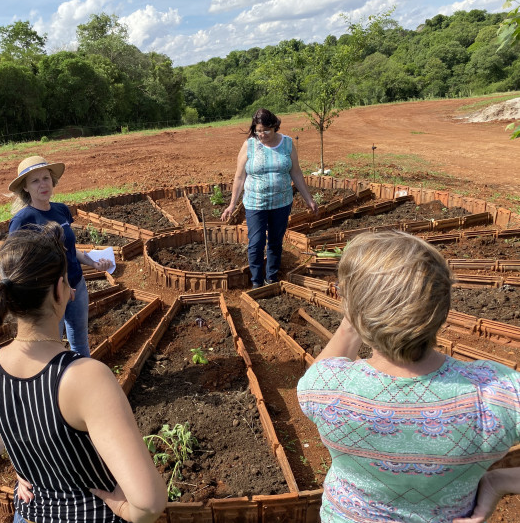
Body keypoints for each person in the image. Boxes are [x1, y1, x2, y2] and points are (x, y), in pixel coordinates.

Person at [0, 224, 167, 523]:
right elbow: (148, 503)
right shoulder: (86, 377)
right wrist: (126, 510)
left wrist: (11, 445)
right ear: (60, 290)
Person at [297, 230, 520, 523]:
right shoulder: (498, 394)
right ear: (442, 307)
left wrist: (355, 313)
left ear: (353, 309)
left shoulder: (324, 390)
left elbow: (328, 360)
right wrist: (499, 482)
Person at [8, 155, 113, 357]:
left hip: (77, 285)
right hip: (50, 295)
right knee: (52, 347)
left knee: (80, 341)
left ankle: (81, 381)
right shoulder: (23, 220)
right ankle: (57, 385)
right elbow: (16, 265)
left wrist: (94, 263)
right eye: (35, 181)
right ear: (26, 188)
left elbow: (71, 250)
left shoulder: (61, 210)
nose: (43, 185)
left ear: (52, 180)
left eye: (46, 178)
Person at [221, 108, 318, 288]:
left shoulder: (287, 143)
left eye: (265, 130)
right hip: (255, 203)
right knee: (256, 243)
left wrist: (309, 199)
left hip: (281, 203)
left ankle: (271, 277)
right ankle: (257, 281)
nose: (262, 134)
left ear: (274, 127)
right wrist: (232, 204)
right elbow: (240, 176)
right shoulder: (249, 145)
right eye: (258, 131)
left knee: (275, 241)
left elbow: (296, 172)